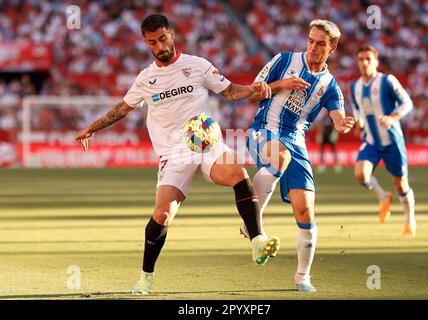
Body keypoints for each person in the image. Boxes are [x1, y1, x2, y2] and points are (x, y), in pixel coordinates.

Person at [75, 14, 280, 295]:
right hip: (174, 152)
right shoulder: (146, 79)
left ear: (171, 33)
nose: (159, 46)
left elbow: (231, 91)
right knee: (162, 214)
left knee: (238, 173)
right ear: (146, 44)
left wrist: (255, 89)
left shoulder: (197, 66)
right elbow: (122, 109)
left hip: (207, 142)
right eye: (152, 42)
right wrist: (91, 128)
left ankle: (257, 240)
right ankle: (146, 276)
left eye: (162, 38)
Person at [241, 19, 355, 292]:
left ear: (333, 48)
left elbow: (338, 117)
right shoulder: (283, 60)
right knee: (279, 158)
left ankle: (302, 277)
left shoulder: (329, 85)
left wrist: (342, 123)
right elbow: (250, 93)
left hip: (296, 143)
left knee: (305, 209)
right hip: (262, 130)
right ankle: (251, 224)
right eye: (310, 41)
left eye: (321, 44)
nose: (313, 48)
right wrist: (282, 84)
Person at [349, 45, 416, 238]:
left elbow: (407, 103)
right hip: (371, 141)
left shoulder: (387, 81)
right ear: (357, 62)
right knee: (361, 174)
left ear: (376, 61)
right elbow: (357, 109)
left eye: (368, 59)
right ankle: (383, 197)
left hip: (392, 141)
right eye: (361, 59)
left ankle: (409, 219)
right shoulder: (355, 87)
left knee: (401, 184)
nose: (364, 63)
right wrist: (359, 121)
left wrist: (392, 117)